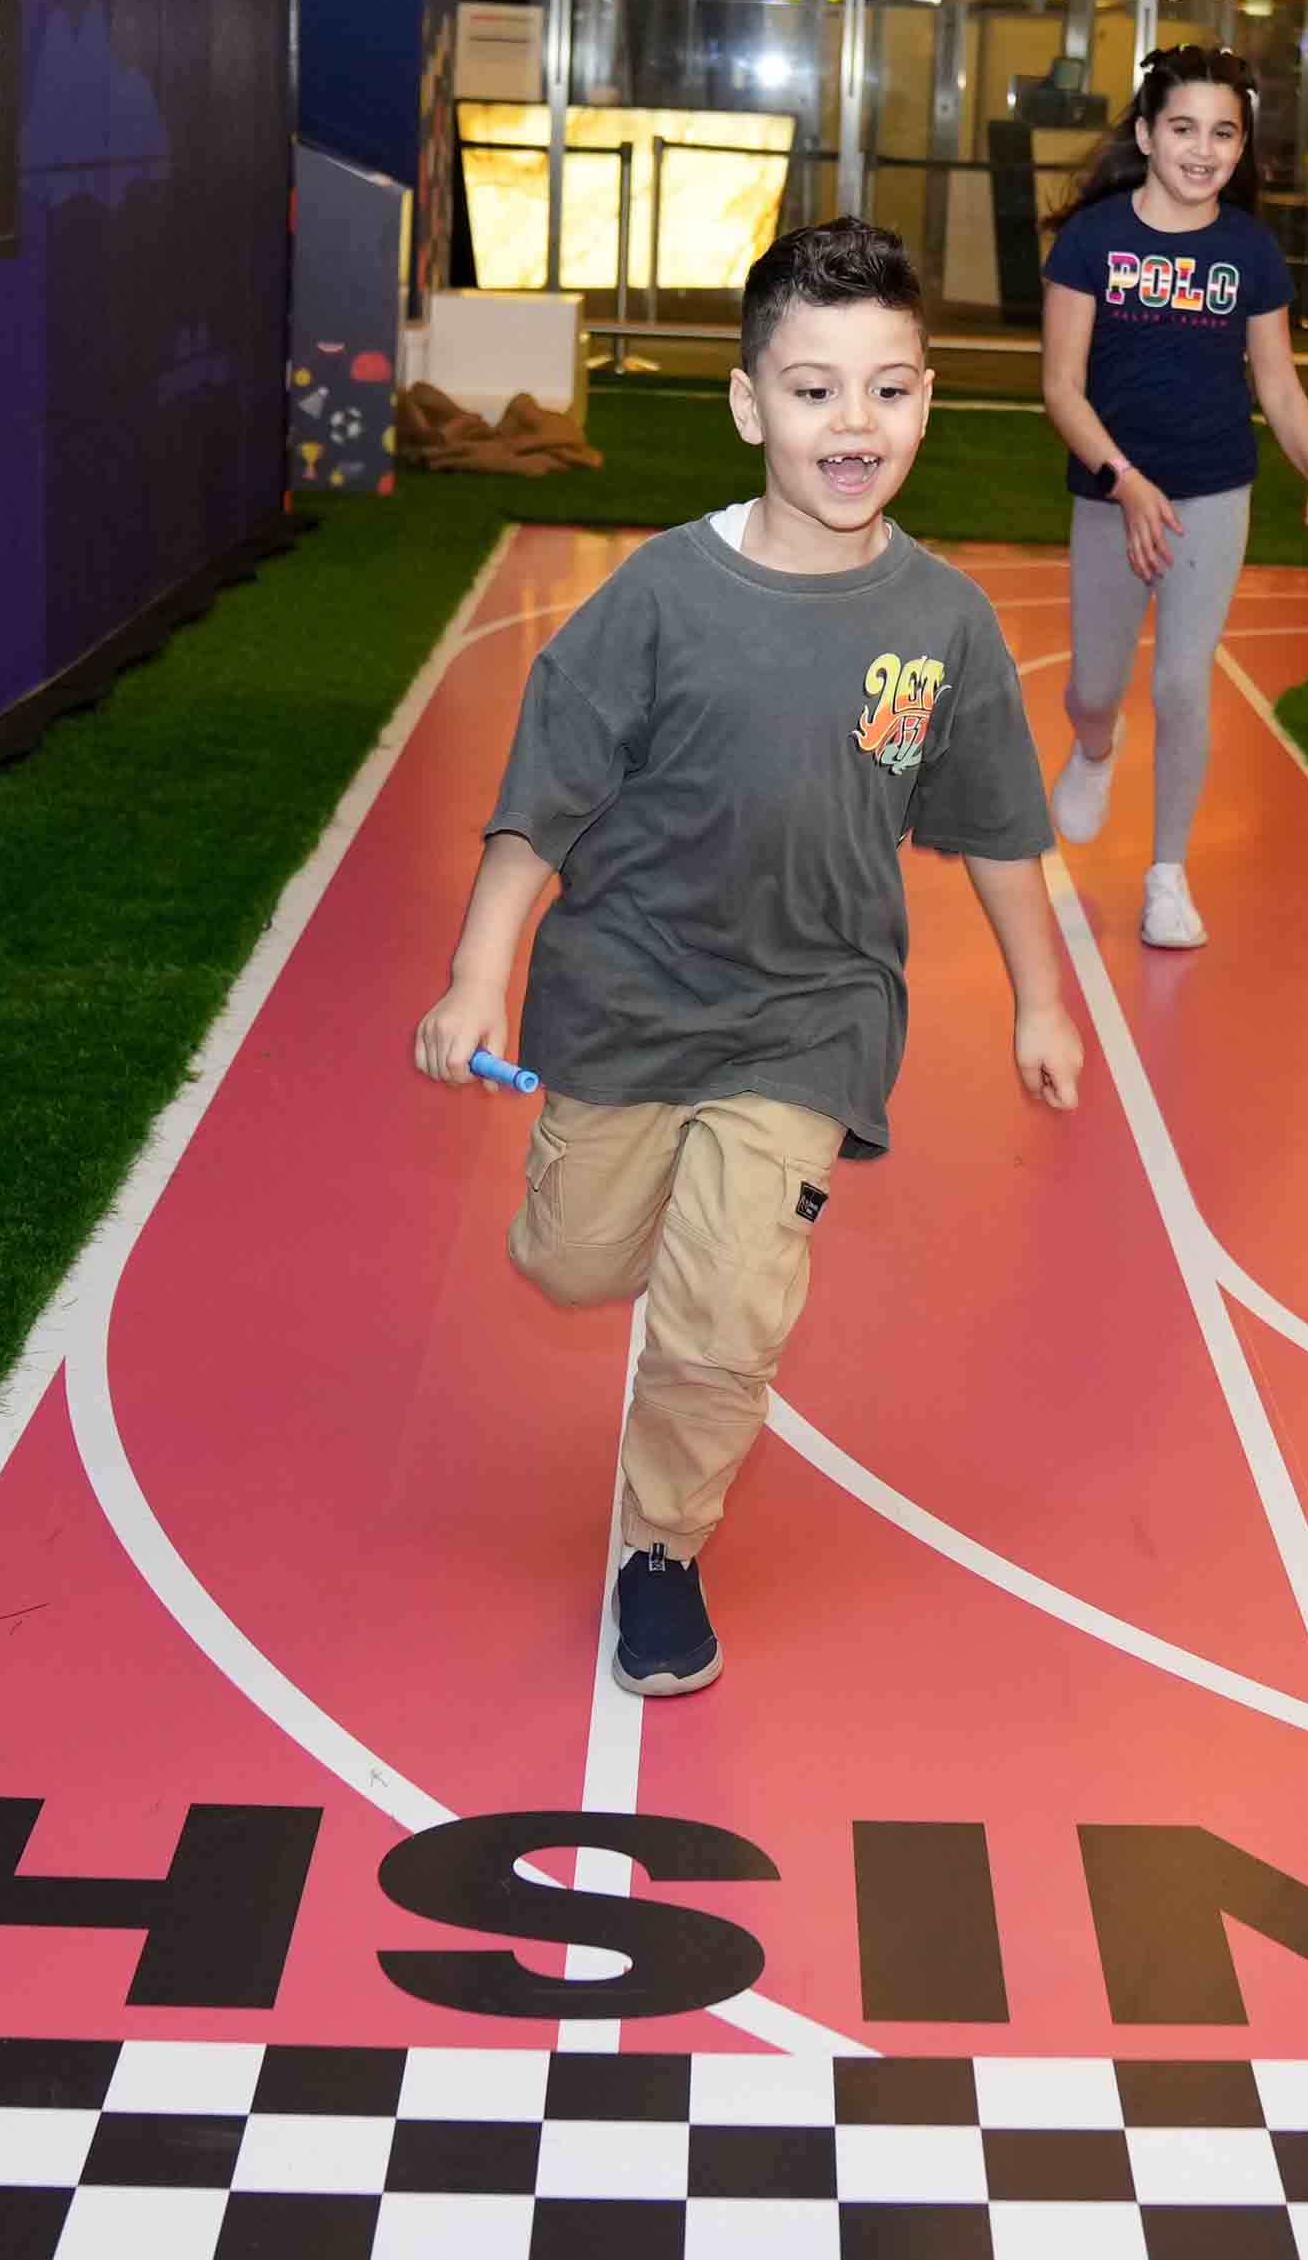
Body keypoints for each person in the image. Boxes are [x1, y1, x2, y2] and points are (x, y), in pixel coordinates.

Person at [411, 217, 1085, 1700]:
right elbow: (540, 803)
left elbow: (993, 832)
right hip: (630, 994)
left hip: (810, 1012)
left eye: (888, 390)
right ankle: (645, 1210)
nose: (854, 426)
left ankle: (661, 1550)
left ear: (925, 400)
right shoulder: (657, 596)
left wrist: (1043, 999)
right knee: (576, 1260)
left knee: (725, 1315)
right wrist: (477, 973)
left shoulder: (945, 624)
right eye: (814, 390)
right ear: (746, 405)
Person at [1038, 43, 1308, 952]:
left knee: (1182, 682)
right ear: (1145, 134)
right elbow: (1061, 388)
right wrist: (1126, 482)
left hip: (1212, 492)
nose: (1203, 148)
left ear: (1241, 146)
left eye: (1224, 132)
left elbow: (1280, 386)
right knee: (1095, 687)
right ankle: (1094, 750)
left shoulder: (1248, 252)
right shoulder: (1093, 241)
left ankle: (1167, 874)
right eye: (1183, 127)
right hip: (1111, 494)